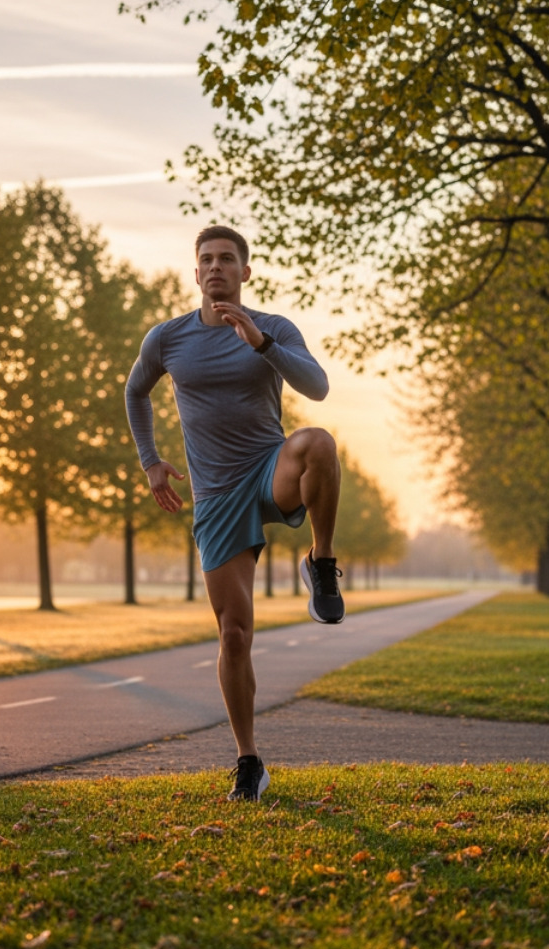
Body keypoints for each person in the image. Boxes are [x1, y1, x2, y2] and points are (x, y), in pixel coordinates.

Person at [124, 225, 344, 802]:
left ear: (246, 272)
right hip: (217, 495)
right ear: (195, 274)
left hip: (271, 470)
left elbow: (318, 388)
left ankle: (322, 563)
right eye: (206, 260)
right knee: (236, 634)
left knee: (319, 441)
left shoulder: (272, 328)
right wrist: (151, 462)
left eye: (227, 259)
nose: (216, 268)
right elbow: (135, 392)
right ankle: (249, 761)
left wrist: (263, 347)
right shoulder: (167, 339)